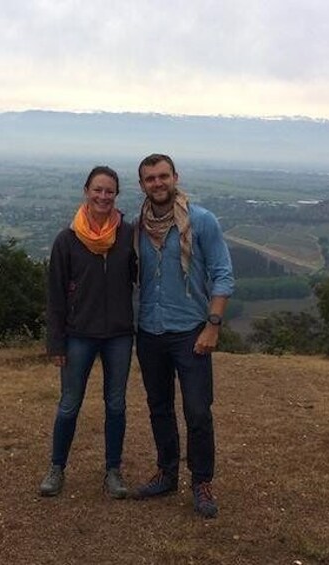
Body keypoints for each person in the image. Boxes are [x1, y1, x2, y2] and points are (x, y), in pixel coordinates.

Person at [132, 153, 234, 518]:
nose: (157, 183)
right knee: (158, 406)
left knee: (197, 411)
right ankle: (167, 472)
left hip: (191, 331)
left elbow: (223, 274)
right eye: (150, 179)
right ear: (141, 185)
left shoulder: (202, 221)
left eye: (163, 176)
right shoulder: (137, 226)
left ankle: (202, 481)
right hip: (149, 330)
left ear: (175, 177)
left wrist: (213, 325)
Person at [40, 165, 136, 499]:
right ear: (86, 191)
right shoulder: (67, 239)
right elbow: (55, 295)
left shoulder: (128, 235)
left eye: (109, 191)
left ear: (116, 195)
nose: (103, 196)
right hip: (78, 333)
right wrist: (56, 342)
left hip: (120, 334)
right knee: (68, 404)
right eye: (98, 189)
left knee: (116, 404)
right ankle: (57, 468)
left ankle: (113, 470)